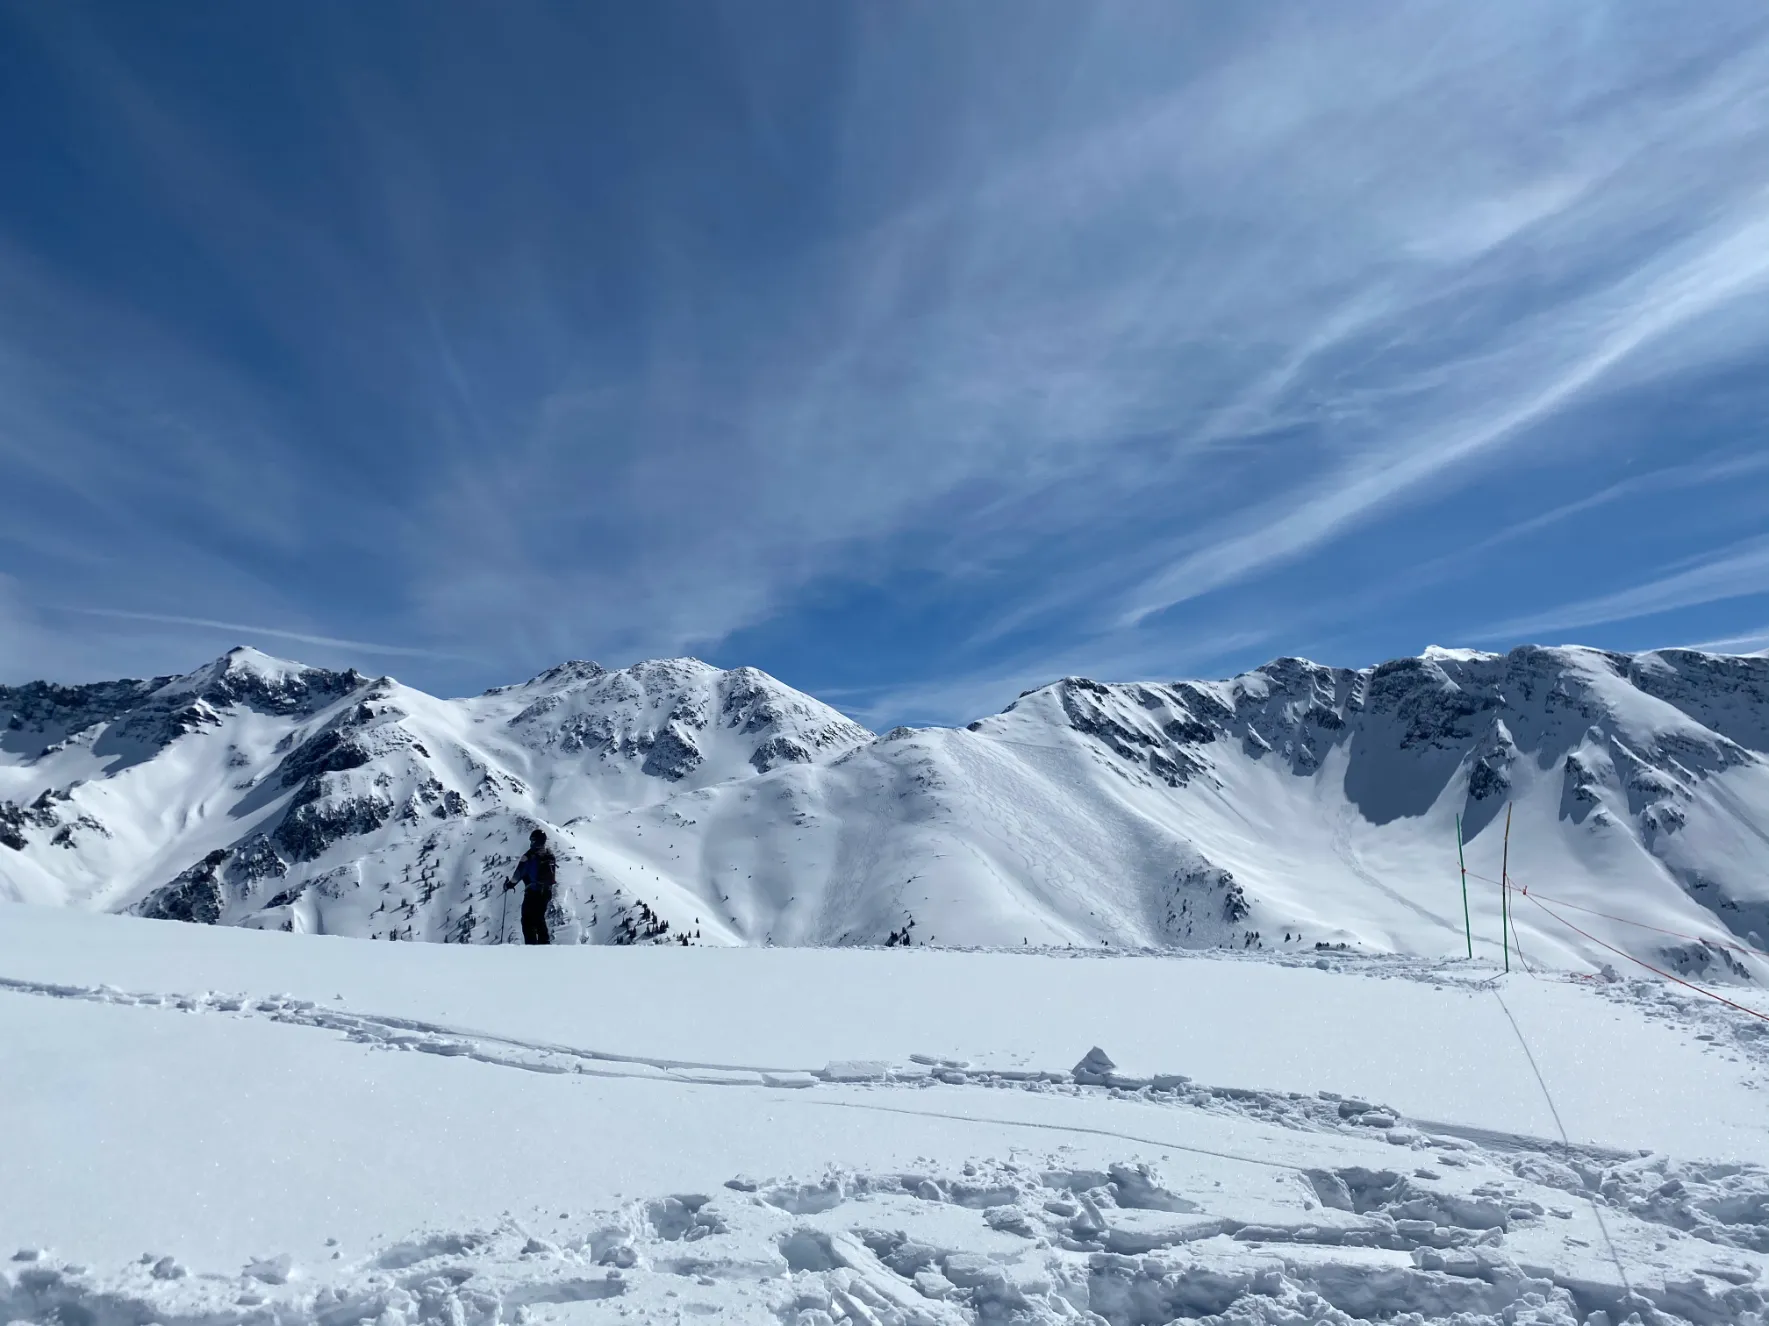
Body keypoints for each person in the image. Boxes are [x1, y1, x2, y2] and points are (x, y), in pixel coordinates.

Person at [507, 828, 557, 945]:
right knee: (539, 919)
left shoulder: (529, 856)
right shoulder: (550, 855)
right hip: (546, 893)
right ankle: (545, 945)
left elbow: (518, 875)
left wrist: (509, 885)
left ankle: (531, 949)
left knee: (528, 921)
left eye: (532, 840)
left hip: (533, 894)